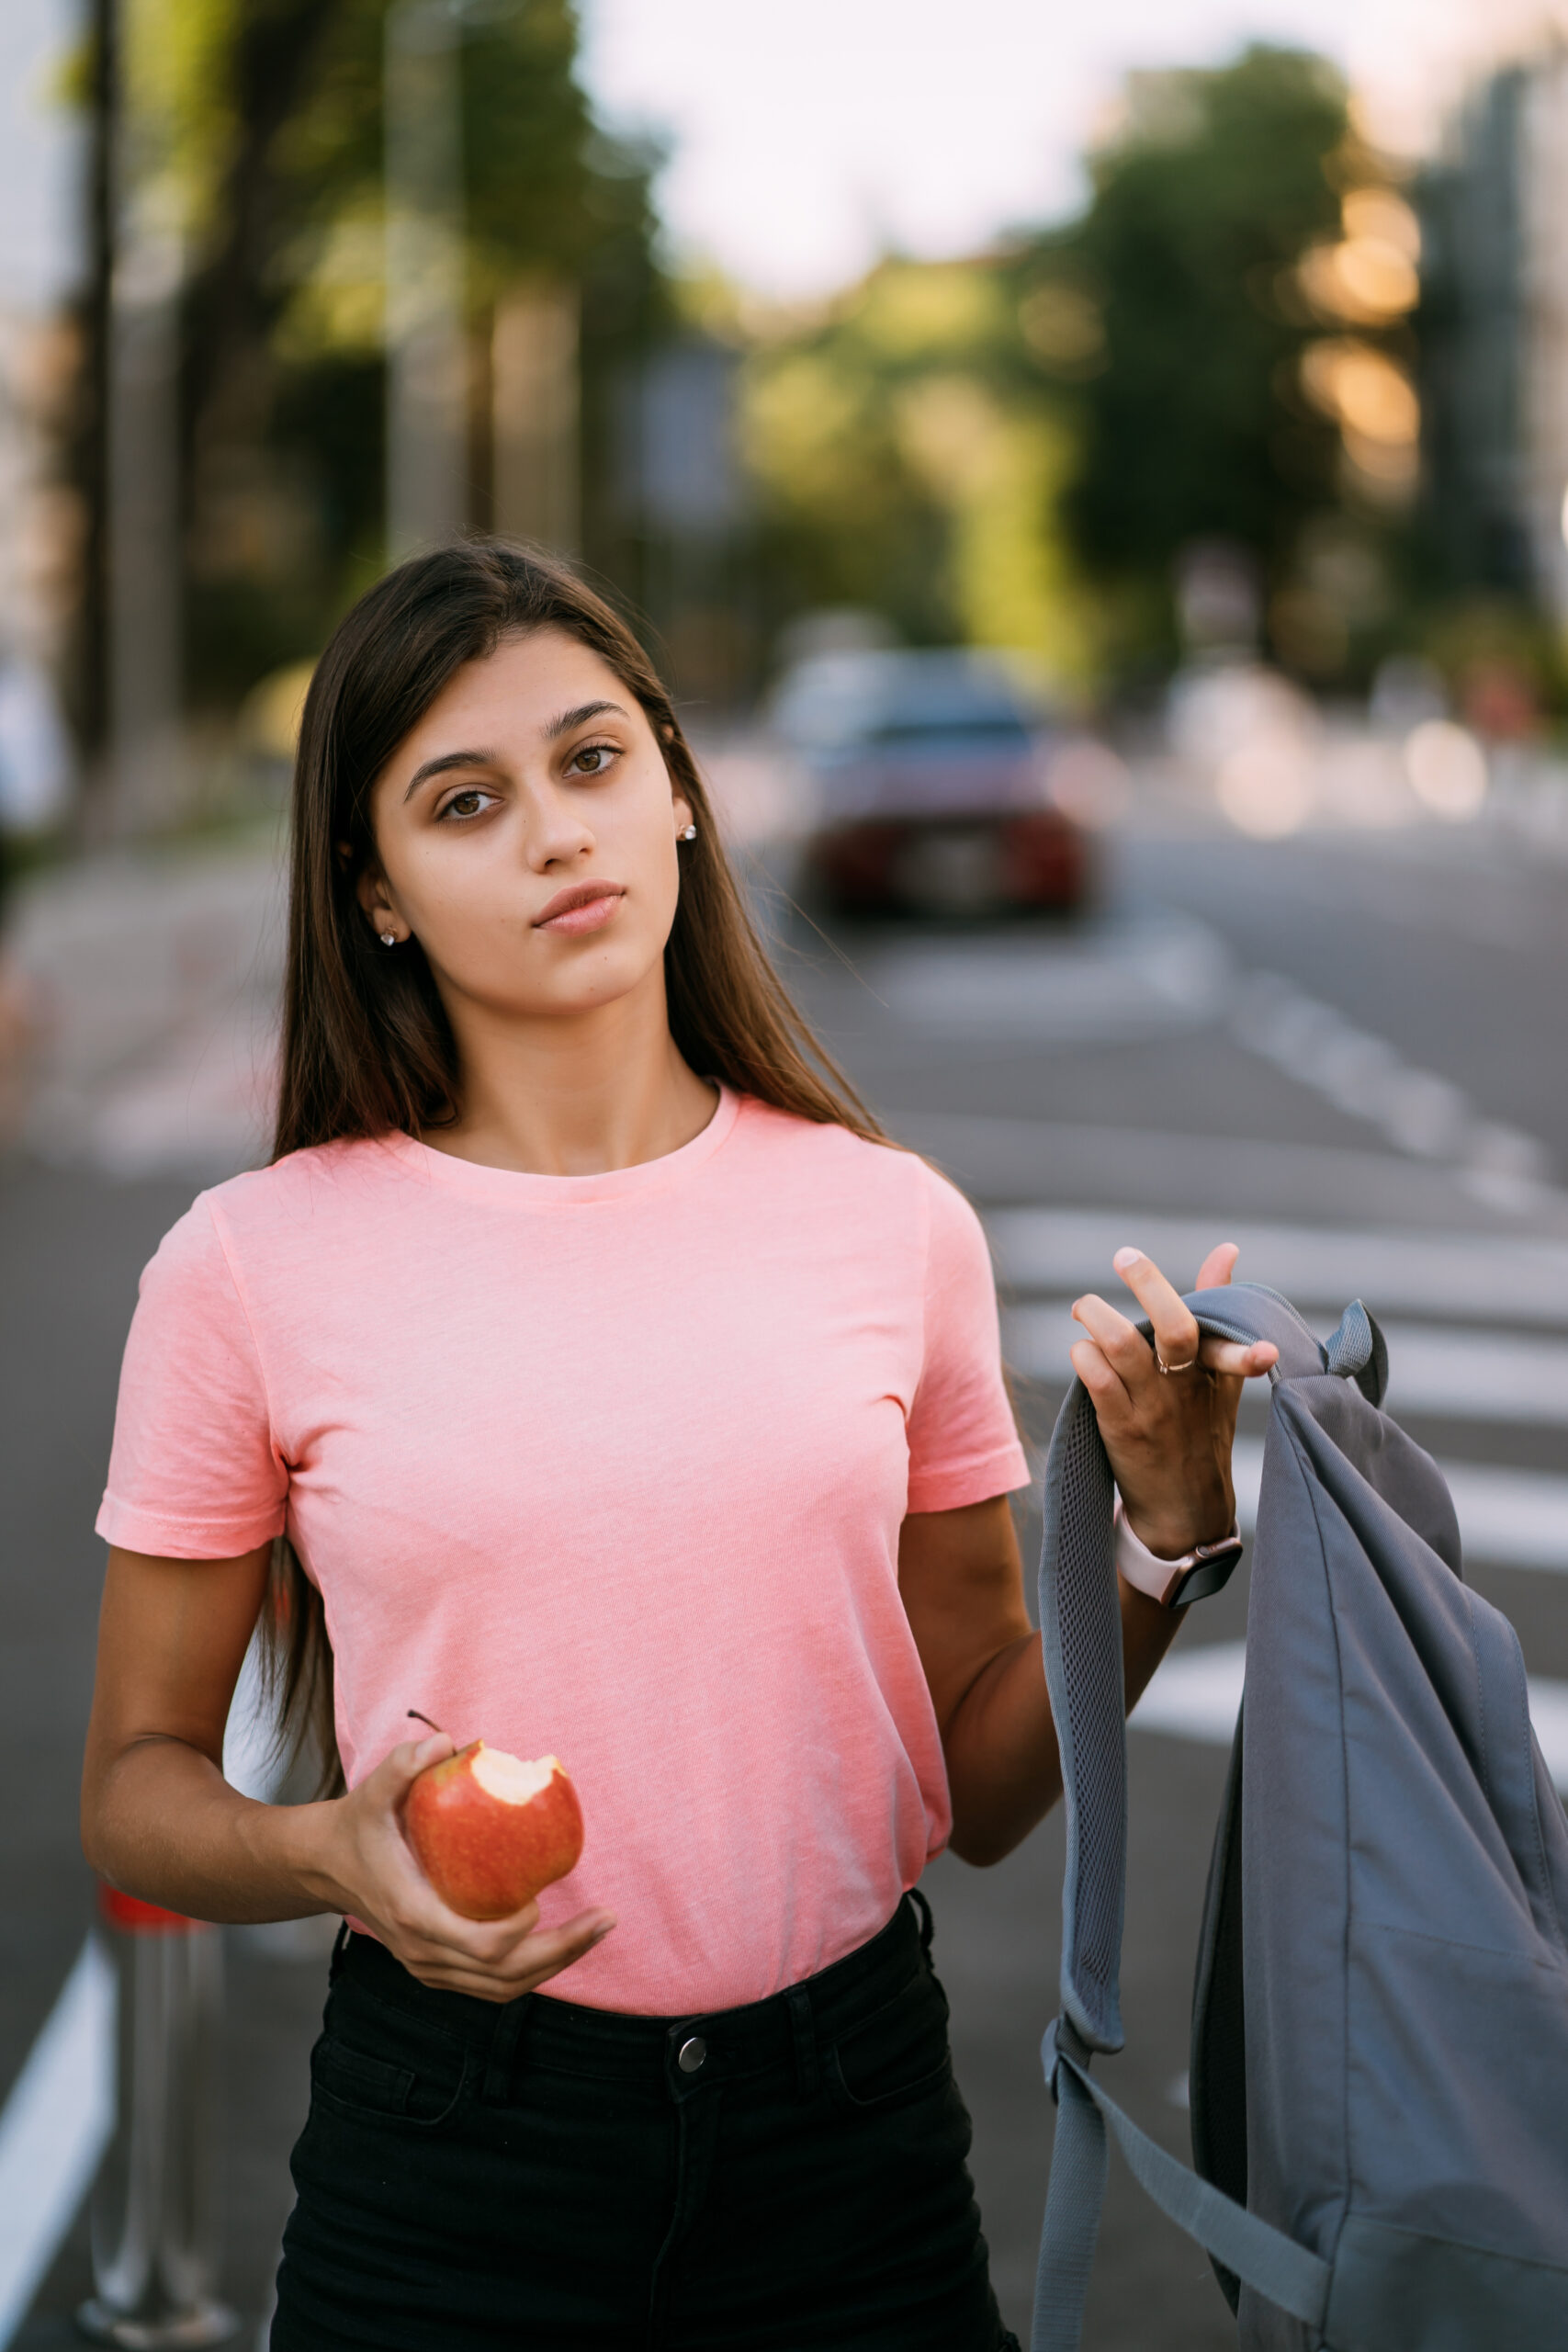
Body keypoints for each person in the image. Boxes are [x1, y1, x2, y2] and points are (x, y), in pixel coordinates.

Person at [81, 541, 1277, 2352]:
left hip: (846, 2133)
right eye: (463, 800)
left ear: (677, 795)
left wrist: (1160, 1543)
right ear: (378, 892)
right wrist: (337, 1850)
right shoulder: (250, 1270)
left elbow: (981, 1786)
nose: (558, 833)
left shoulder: (891, 1224)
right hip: (452, 2160)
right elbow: (136, 1788)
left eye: (592, 759)